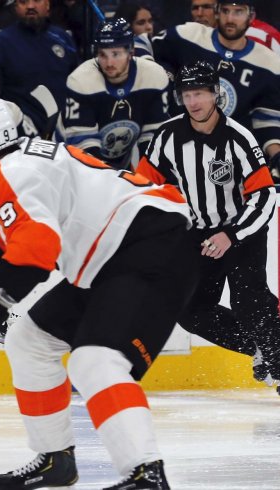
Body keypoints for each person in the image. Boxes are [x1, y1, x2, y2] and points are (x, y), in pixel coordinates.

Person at [0, 93, 197, 489]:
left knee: (95, 360)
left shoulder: (8, 175)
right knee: (30, 339)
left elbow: (38, 250)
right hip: (116, 254)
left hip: (149, 247)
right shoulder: (28, 158)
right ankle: (55, 458)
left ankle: (145, 473)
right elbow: (32, 227)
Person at [135, 61, 280, 390]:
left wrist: (232, 234)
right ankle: (262, 348)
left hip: (242, 231)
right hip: (200, 236)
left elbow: (264, 197)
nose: (193, 102)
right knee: (190, 309)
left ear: (216, 94)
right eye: (186, 94)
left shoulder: (239, 138)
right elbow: (143, 186)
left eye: (199, 93)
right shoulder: (167, 136)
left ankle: (278, 357)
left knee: (249, 303)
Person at [138, 0, 280, 176]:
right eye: (226, 10)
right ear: (217, 12)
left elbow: (267, 122)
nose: (230, 18)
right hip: (176, 152)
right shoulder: (189, 36)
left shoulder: (270, 64)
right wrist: (154, 72)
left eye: (238, 12)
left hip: (227, 163)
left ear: (251, 17)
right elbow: (141, 42)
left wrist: (277, 156)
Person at [62, 18, 170, 169]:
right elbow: (82, 145)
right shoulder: (81, 81)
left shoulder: (154, 76)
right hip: (69, 164)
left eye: (116, 54)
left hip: (119, 164)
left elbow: (153, 137)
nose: (109, 63)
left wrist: (146, 177)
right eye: (103, 54)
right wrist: (112, 180)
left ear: (131, 51)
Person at [0, 0, 78, 138]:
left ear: (48, 5)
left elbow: (75, 85)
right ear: (15, 7)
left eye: (37, 0)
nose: (30, 6)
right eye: (23, 2)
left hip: (62, 131)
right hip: (20, 134)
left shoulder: (63, 39)